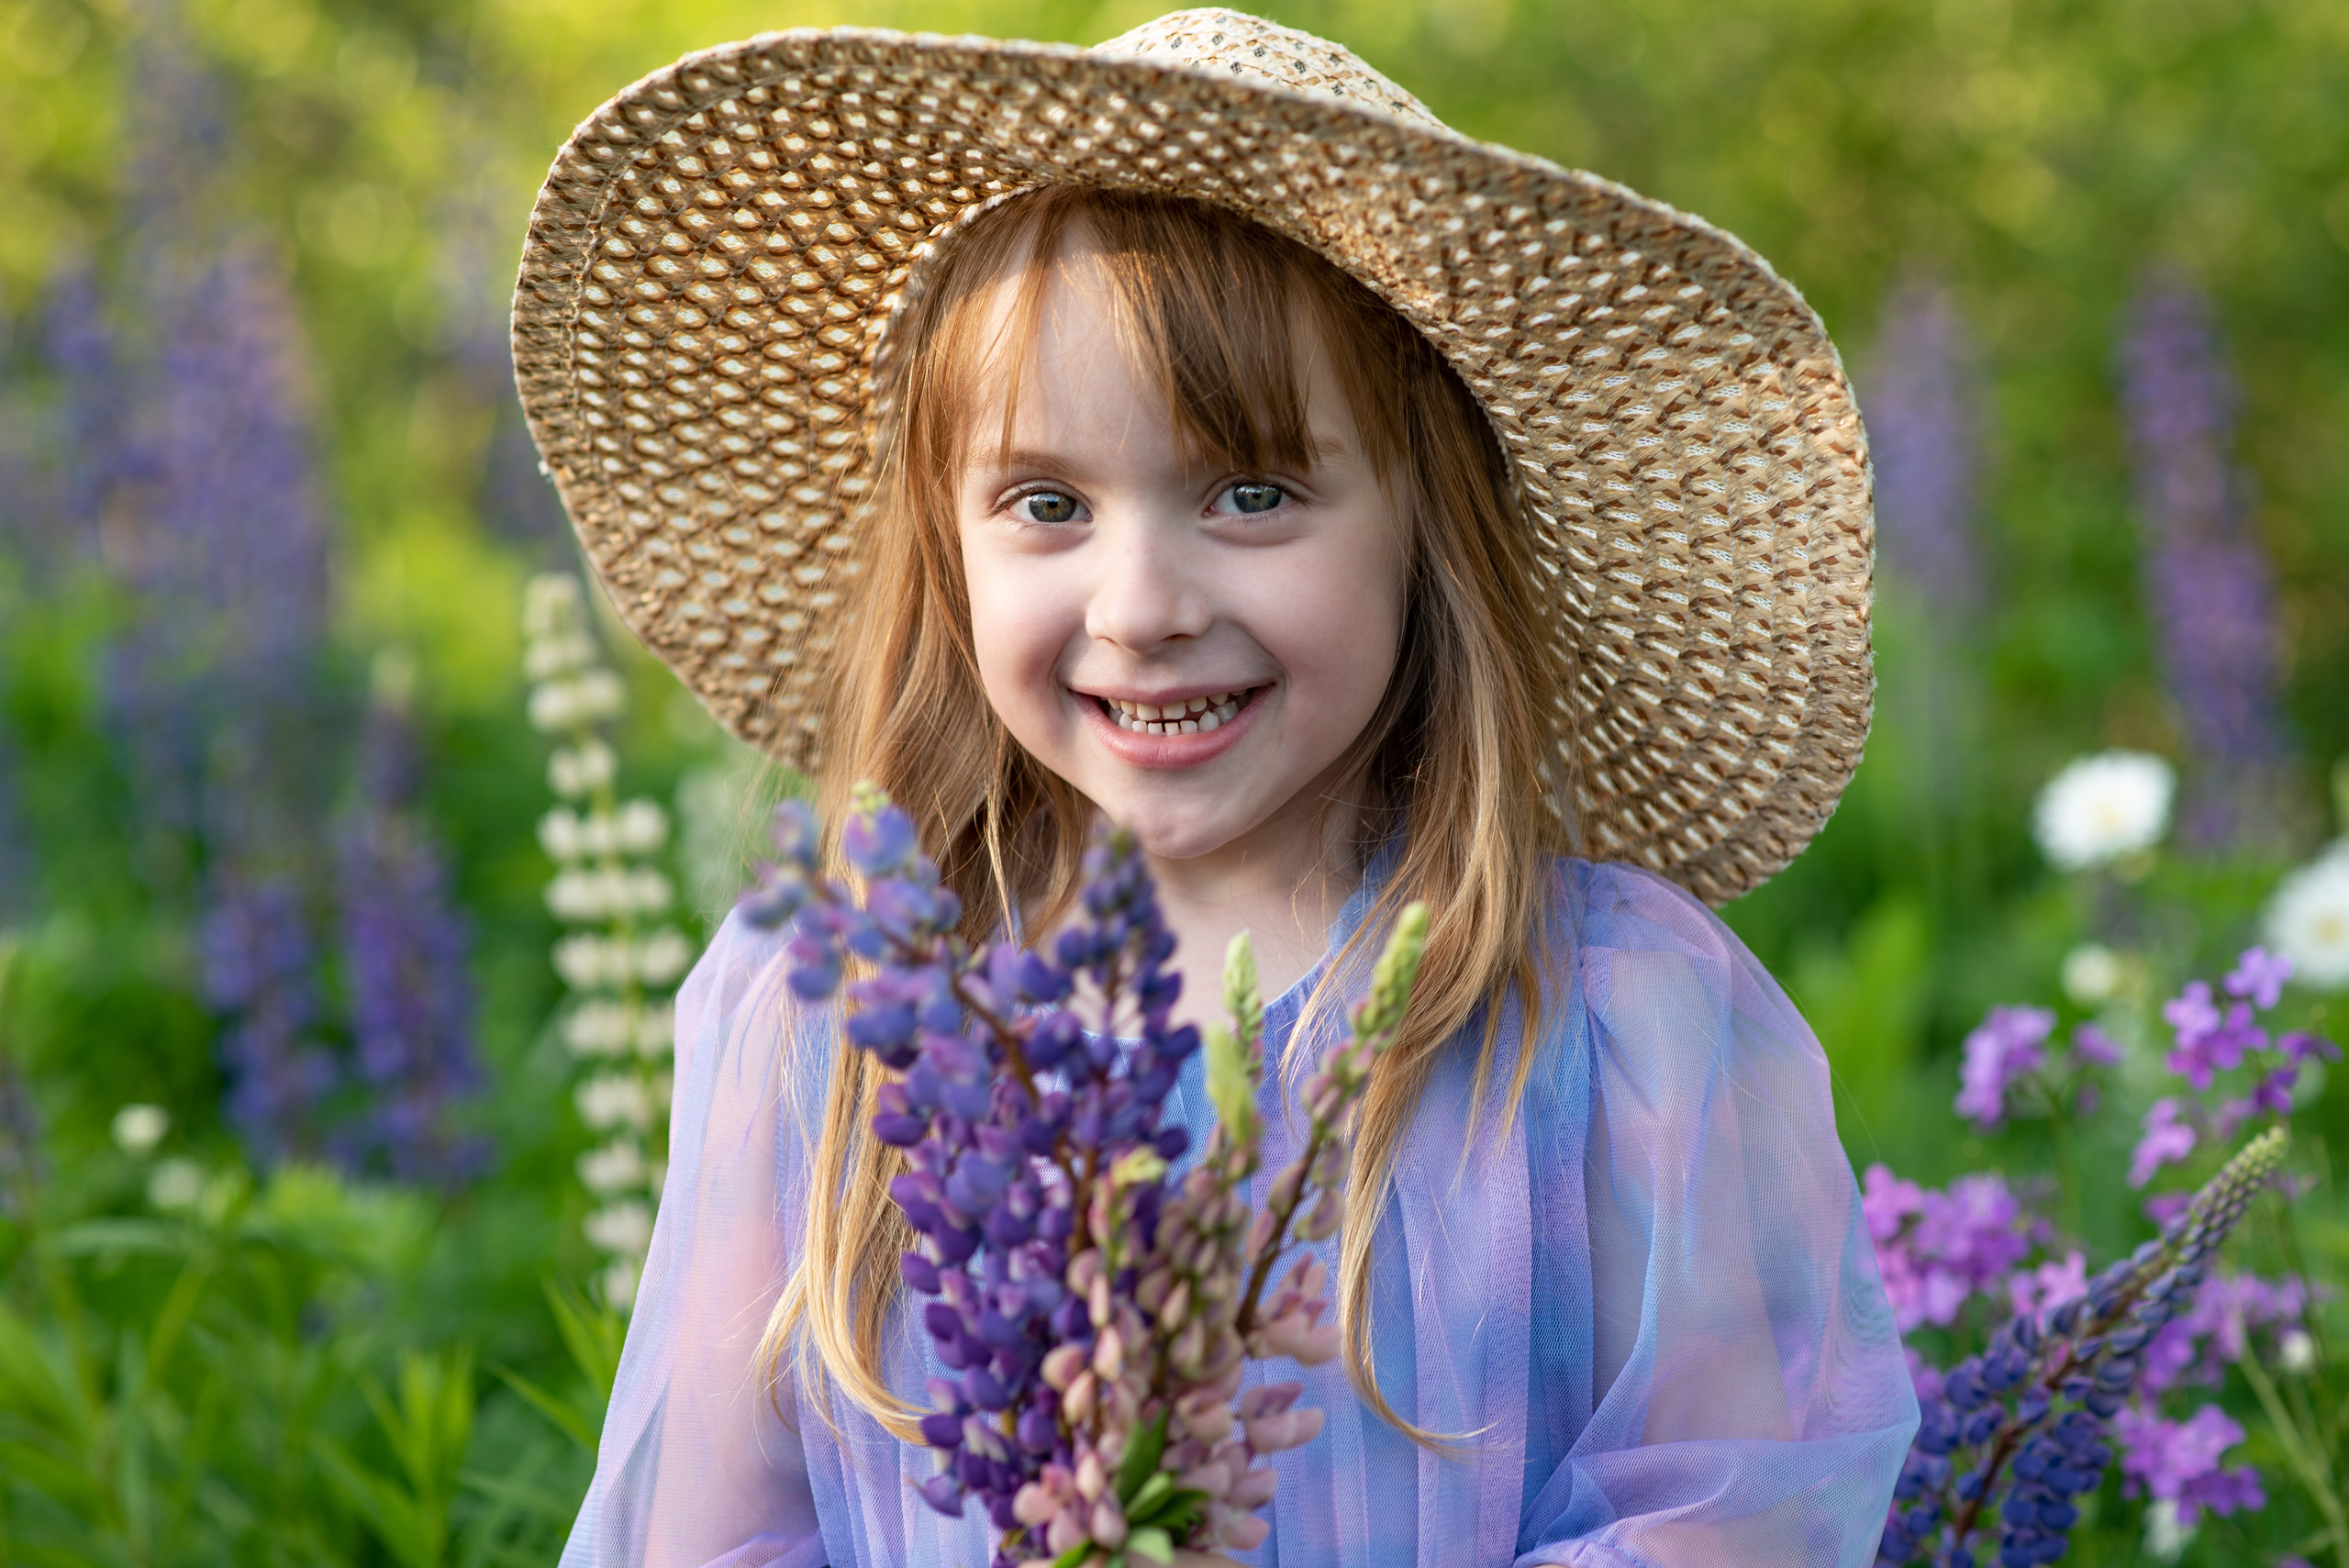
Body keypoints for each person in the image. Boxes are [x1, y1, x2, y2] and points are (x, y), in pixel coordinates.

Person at [513, 11, 1918, 1565]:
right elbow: (710, 1542)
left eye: (1252, 493)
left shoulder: (1608, 1012)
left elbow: (1728, 1522)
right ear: (946, 552)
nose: (1141, 601)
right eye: (1047, 502)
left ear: (1428, 533)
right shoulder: (834, 1018)